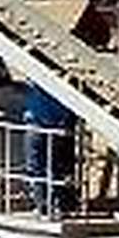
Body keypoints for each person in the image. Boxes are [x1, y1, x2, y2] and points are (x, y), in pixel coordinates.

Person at [22, 84, 77, 217]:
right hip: (58, 123)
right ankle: (60, 205)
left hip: (40, 122)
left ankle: (45, 206)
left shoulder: (41, 81)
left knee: (38, 168)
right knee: (57, 168)